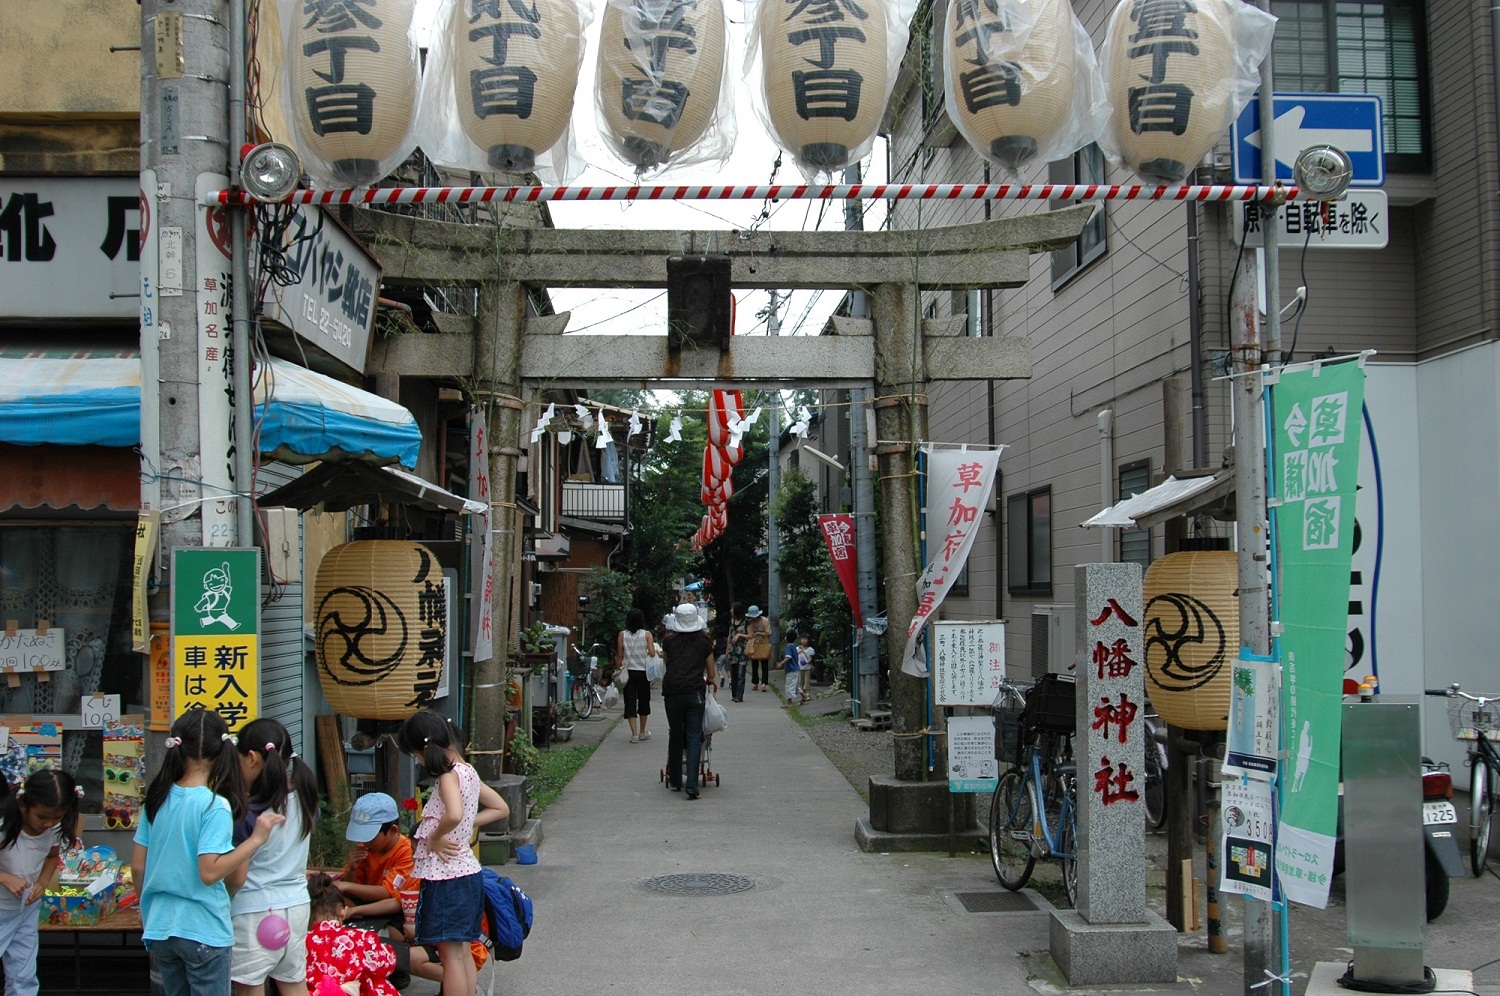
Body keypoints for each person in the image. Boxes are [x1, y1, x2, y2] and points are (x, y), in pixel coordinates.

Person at [132, 708, 287, 996]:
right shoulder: (214, 805)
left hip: (160, 925)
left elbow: (138, 866)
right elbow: (210, 872)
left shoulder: (156, 799)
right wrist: (256, 839)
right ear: (223, 749)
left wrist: (145, 909)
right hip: (202, 927)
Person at [395, 711, 510, 996]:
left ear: (424, 749)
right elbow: (500, 808)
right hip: (468, 873)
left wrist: (435, 837)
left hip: (446, 877)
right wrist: (467, 822)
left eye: (415, 756)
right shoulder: (468, 772)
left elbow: (455, 813)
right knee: (461, 952)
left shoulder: (447, 775)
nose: (418, 761)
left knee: (450, 956)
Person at [230, 717, 319, 996]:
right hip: (296, 907)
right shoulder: (305, 800)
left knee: (249, 987)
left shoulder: (246, 812)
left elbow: (237, 876)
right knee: (293, 985)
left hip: (253, 911)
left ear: (253, 758)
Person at [0, 769, 81, 996]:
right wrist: (5, 878)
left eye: (57, 817)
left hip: (26, 906)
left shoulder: (54, 827)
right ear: (23, 805)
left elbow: (51, 856)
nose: (49, 823)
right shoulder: (4, 825)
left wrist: (43, 882)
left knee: (23, 970)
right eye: (42, 817)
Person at [304, 872, 400, 996]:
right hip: (358, 992)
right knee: (375, 981)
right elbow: (387, 963)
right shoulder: (363, 937)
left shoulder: (302, 942)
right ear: (342, 912)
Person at [660, 602, 717, 800]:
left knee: (676, 734)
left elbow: (668, 665)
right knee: (694, 736)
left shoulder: (668, 642)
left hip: (672, 691)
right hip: (695, 693)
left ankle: (676, 779)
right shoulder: (705, 643)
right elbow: (711, 673)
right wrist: (707, 678)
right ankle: (692, 785)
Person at [334, 792, 412, 936]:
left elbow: (388, 893)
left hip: (392, 909)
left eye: (370, 837)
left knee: (396, 929)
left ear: (393, 830)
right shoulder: (365, 849)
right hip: (365, 905)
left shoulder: (406, 852)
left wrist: (346, 886)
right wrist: (351, 869)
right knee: (333, 902)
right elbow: (352, 890)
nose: (365, 842)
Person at [615, 608, 657, 743]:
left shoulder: (622, 635)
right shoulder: (647, 634)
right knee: (644, 701)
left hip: (628, 673)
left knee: (630, 702)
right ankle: (643, 731)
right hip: (643, 673)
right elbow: (651, 652)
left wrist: (617, 669)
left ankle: (633, 734)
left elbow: (620, 655)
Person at [725, 602, 750, 702]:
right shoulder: (732, 621)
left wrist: (740, 635)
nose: (731, 610)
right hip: (733, 650)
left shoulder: (746, 622)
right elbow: (729, 636)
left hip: (742, 650)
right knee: (734, 673)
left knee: (741, 674)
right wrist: (727, 650)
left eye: (732, 608)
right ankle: (734, 694)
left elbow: (750, 635)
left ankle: (739, 696)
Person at [744, 605, 772, 692]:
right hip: (753, 644)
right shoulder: (749, 622)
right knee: (754, 665)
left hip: (763, 644)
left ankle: (764, 683)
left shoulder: (764, 621)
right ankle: (755, 683)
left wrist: (759, 633)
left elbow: (768, 633)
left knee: (764, 665)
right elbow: (749, 634)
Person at [774, 629, 804, 707]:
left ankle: (789, 702)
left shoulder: (788, 647)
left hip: (791, 670)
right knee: (796, 685)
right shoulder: (794, 646)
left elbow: (788, 657)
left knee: (789, 686)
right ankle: (804, 695)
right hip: (796, 670)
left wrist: (781, 663)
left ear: (787, 637)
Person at [794, 633, 816, 704]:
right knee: (801, 682)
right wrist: (798, 652)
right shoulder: (797, 648)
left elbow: (810, 658)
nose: (803, 641)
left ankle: (807, 694)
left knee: (807, 682)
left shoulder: (810, 649)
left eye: (805, 639)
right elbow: (794, 657)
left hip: (807, 668)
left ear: (808, 640)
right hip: (799, 668)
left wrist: (806, 662)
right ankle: (803, 695)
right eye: (802, 639)